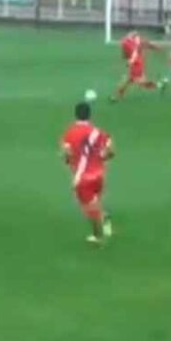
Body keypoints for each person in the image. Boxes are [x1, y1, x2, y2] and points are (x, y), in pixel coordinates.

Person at [60, 102, 115, 245]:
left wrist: (68, 161)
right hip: (99, 175)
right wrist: (102, 158)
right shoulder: (98, 132)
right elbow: (110, 151)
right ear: (89, 115)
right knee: (95, 202)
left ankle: (98, 236)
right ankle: (103, 217)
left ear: (75, 114)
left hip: (82, 179)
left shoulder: (70, 132)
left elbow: (66, 153)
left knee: (89, 209)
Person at [111, 31, 163, 102]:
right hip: (137, 62)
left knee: (140, 82)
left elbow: (131, 54)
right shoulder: (130, 42)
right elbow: (145, 45)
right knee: (131, 79)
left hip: (137, 64)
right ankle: (120, 92)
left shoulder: (129, 43)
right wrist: (157, 48)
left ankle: (159, 85)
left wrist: (130, 61)